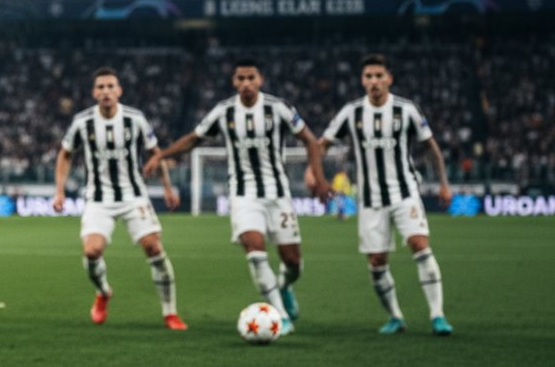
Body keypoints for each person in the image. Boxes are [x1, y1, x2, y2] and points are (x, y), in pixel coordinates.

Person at [152, 59, 330, 333]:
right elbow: (194, 138)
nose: (246, 83)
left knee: (293, 262)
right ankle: (279, 316)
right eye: (240, 78)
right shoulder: (223, 111)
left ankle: (284, 286)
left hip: (278, 195)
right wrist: (162, 154)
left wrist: (319, 178)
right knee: (255, 253)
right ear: (234, 82)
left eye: (250, 77)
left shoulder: (278, 107)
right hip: (243, 195)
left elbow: (309, 140)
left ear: (260, 80)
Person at [319, 53, 454, 336]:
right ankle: (395, 317)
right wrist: (313, 173)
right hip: (370, 199)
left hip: (404, 193)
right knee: (377, 262)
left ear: (389, 79)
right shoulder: (351, 112)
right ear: (362, 80)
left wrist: (443, 183)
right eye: (368, 76)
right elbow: (323, 144)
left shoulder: (406, 110)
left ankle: (437, 315)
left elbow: (431, 147)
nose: (374, 81)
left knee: (420, 246)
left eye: (379, 76)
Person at [52, 67, 186, 330]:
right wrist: (59, 191)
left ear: (119, 90)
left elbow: (155, 152)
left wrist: (167, 188)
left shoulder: (135, 119)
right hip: (98, 198)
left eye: (110, 86)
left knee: (154, 248)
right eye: (100, 87)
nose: (106, 91)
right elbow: (65, 153)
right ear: (94, 92)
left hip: (133, 196)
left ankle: (170, 313)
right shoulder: (82, 122)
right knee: (91, 251)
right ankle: (103, 292)